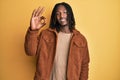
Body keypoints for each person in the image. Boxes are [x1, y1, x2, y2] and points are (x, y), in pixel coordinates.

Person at [24, 2, 90, 80]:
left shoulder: (80, 39)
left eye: (65, 12)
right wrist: (33, 31)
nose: (62, 16)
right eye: (58, 14)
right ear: (55, 17)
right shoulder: (45, 35)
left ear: (70, 14)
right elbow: (30, 52)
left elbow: (84, 65)